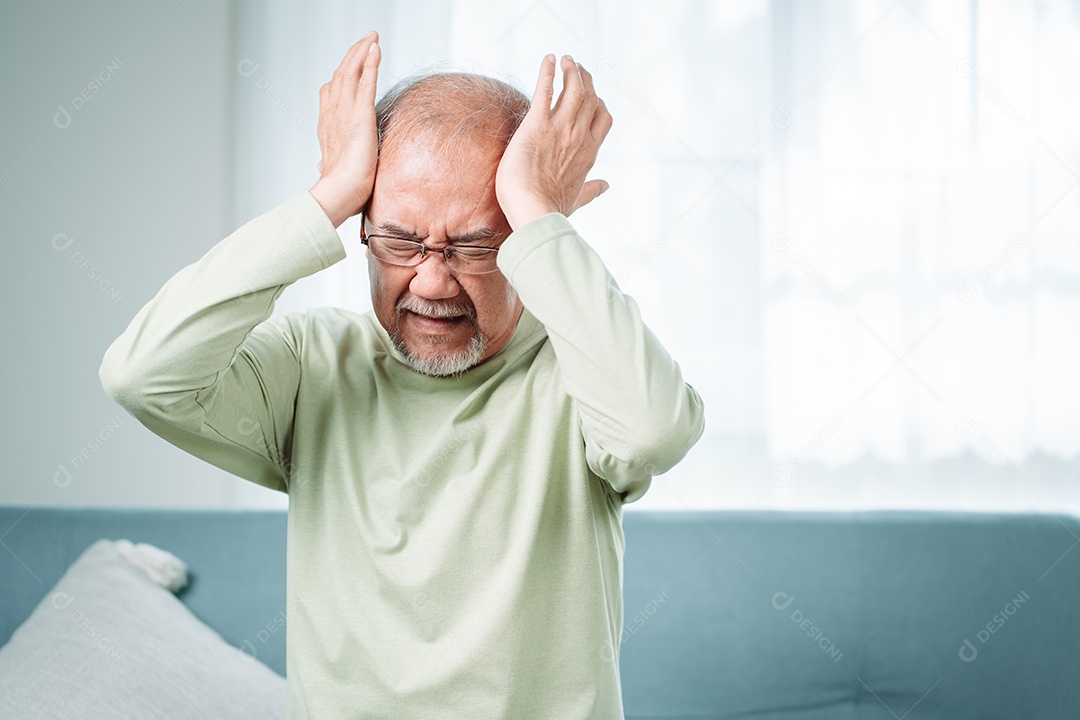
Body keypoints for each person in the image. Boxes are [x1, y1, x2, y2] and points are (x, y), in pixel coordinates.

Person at [99, 29, 704, 720]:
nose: (433, 279)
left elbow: (654, 432)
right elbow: (142, 375)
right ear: (361, 226)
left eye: (476, 243)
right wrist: (325, 198)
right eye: (400, 239)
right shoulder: (311, 367)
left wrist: (539, 212)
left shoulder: (581, 370)